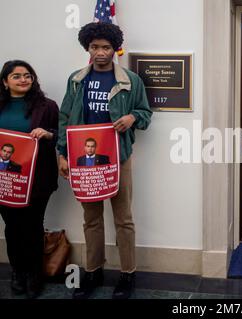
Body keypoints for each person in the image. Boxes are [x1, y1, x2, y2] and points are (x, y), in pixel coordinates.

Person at [58, 22, 152, 300]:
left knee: (124, 219)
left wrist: (133, 117)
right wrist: (62, 154)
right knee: (91, 219)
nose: (100, 52)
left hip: (118, 158)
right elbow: (65, 119)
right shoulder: (77, 80)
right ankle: (93, 271)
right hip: (84, 161)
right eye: (95, 47)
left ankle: (127, 274)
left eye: (106, 47)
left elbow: (145, 113)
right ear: (88, 48)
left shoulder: (130, 81)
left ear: (114, 49)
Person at [0, 60, 59, 298]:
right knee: (12, 228)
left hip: (37, 180)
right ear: (5, 82)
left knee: (32, 227)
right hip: (5, 181)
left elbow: (62, 135)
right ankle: (18, 272)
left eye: (28, 75)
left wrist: (48, 134)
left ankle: (35, 274)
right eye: (16, 76)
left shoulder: (47, 106)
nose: (23, 79)